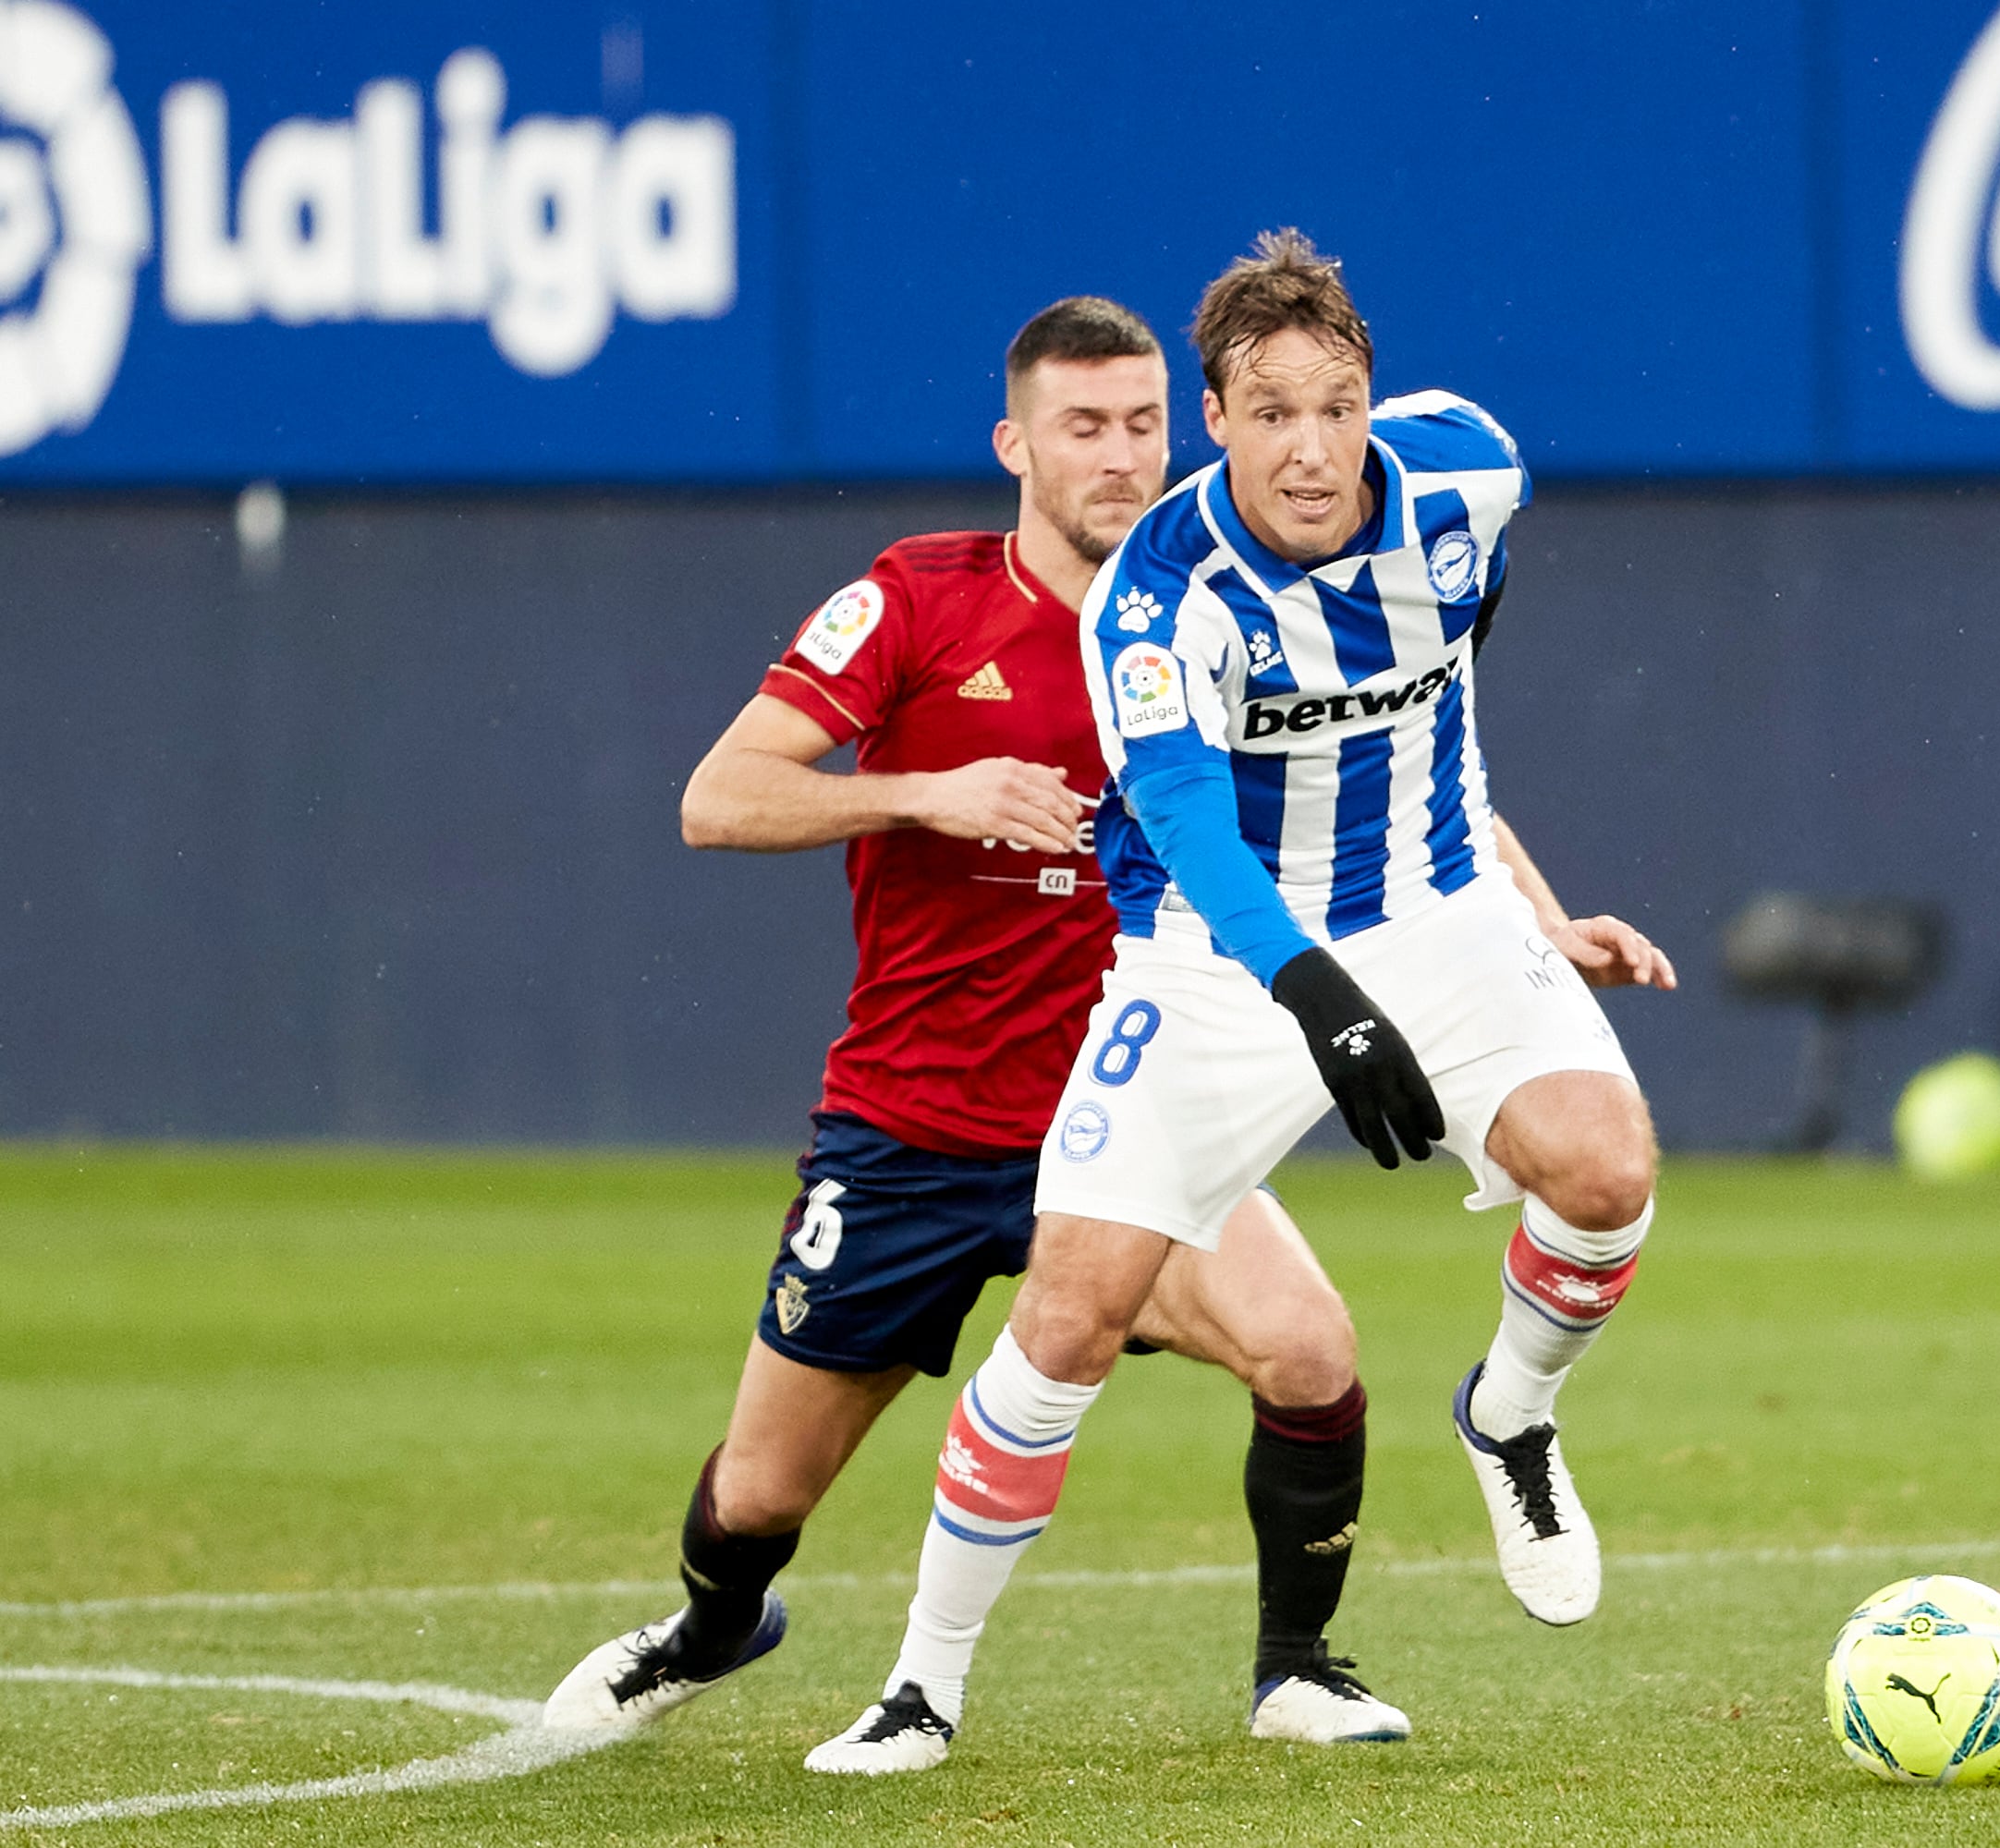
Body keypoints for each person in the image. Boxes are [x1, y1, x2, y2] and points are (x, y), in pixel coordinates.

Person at [541, 297, 1408, 1770]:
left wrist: (1531, 924)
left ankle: (1297, 1667)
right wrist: (921, 793)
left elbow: (1395, 764)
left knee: (1310, 1350)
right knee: (759, 1495)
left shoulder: (1235, 604)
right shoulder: (913, 601)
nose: (1118, 457)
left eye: (1142, 422)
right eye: (1083, 427)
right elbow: (717, 798)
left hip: (1131, 1112)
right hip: (913, 1128)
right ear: (1016, 443)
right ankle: (704, 1632)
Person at [854, 229, 1675, 1741]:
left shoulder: (1474, 474)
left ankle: (1510, 1418)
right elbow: (1183, 825)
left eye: (1337, 404)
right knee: (1071, 1315)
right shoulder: (1157, 602)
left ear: (1375, 399)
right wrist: (1318, 995)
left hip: (1436, 911)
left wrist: (1523, 913)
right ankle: (923, 1686)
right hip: (1221, 956)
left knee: (1609, 1170)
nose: (1312, 448)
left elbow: (1459, 666)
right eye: (1271, 411)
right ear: (1216, 422)